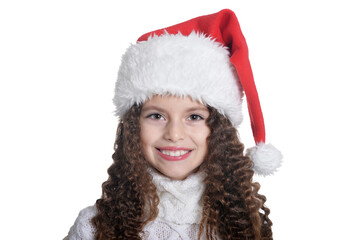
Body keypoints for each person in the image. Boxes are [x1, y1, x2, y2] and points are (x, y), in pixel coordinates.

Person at [65, 9, 282, 240]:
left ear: (220, 130)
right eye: (156, 116)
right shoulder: (92, 228)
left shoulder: (245, 225)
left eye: (195, 117)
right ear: (133, 126)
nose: (174, 134)